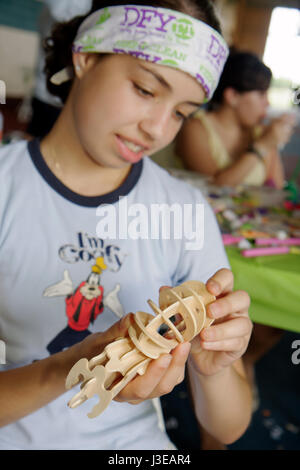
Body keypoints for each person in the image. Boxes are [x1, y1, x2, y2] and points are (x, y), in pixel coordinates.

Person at [0, 0, 253, 450]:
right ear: (87, 57)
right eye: (144, 89)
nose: (157, 129)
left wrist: (213, 369)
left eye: (182, 112)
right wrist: (70, 366)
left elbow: (228, 427)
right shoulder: (7, 189)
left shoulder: (184, 211)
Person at [175, 49, 296, 189]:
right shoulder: (195, 128)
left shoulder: (260, 132)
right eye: (261, 94)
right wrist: (262, 146)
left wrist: (270, 143)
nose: (267, 103)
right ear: (232, 96)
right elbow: (214, 187)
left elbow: (275, 191)